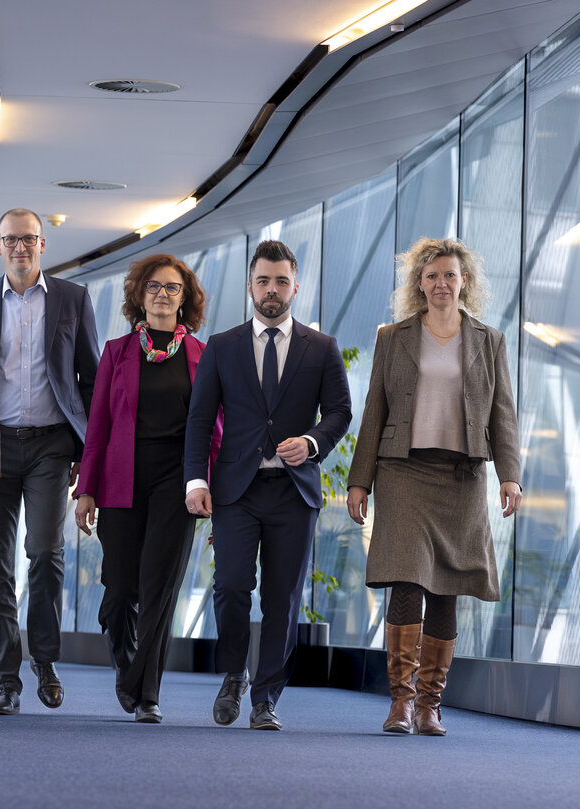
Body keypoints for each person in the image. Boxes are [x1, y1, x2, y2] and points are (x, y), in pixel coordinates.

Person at [346, 237, 521, 736]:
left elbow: (501, 413)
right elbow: (374, 411)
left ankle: (430, 705)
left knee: (448, 586)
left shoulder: (489, 340)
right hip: (402, 470)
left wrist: (510, 474)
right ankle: (400, 702)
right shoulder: (392, 337)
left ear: (465, 281)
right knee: (406, 578)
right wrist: (359, 481)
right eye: (431, 276)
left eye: (449, 275)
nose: (441, 284)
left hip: (461, 476)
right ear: (418, 284)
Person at [183, 239, 351, 731]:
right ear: (250, 286)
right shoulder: (222, 346)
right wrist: (196, 479)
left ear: (295, 286)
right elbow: (199, 419)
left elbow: (339, 412)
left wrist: (314, 443)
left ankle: (265, 698)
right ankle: (234, 672)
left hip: (294, 492)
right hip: (236, 489)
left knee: (283, 598)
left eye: (281, 281)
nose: (272, 290)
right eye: (263, 281)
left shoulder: (321, 348)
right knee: (231, 586)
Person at [0, 207, 100, 715]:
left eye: (29, 239)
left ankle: (45, 658)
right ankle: (6, 679)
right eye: (10, 239)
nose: (20, 247)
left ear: (44, 245)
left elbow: (91, 379)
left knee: (44, 551)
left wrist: (89, 452)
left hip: (51, 445)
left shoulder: (72, 299)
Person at [74, 254, 219, 724]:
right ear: (140, 294)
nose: (162, 294)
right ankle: (127, 664)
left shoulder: (202, 354)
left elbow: (216, 428)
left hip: (178, 483)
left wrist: (214, 486)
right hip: (121, 480)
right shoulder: (117, 352)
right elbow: (97, 426)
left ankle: (146, 693)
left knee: (160, 590)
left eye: (172, 287)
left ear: (185, 298)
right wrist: (86, 489)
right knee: (118, 592)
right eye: (153, 286)